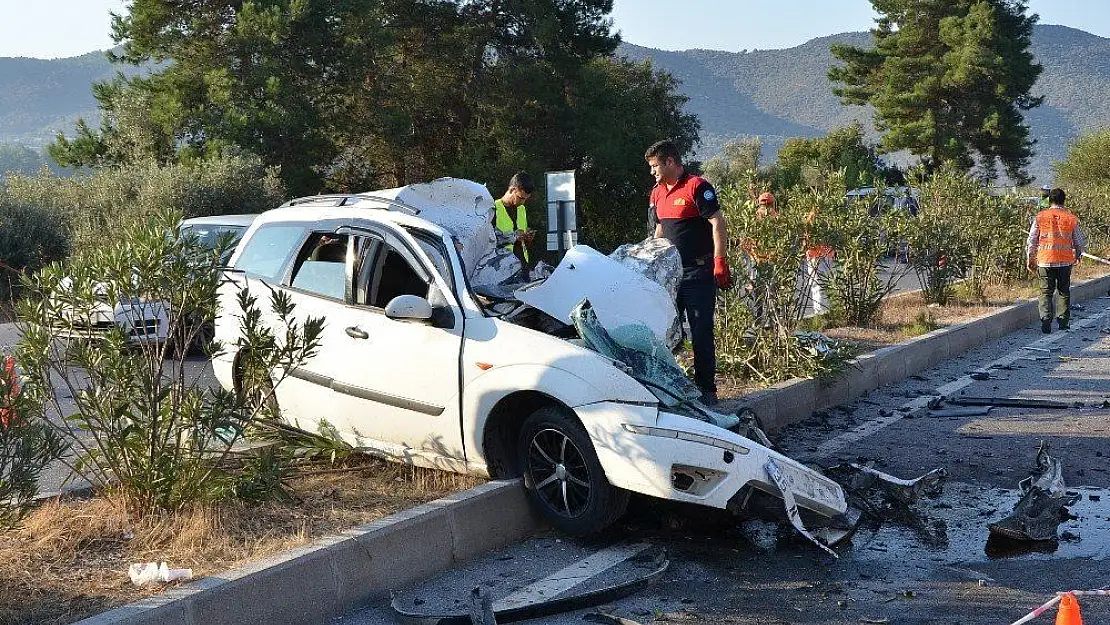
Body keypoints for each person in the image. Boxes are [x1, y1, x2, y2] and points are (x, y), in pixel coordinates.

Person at [645, 140, 732, 404]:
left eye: (655, 166)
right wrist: (650, 262)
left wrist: (719, 260)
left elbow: (717, 221)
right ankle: (670, 389)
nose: (653, 172)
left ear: (670, 161)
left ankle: (707, 390)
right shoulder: (656, 193)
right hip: (670, 277)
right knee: (666, 332)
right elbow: (658, 231)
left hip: (698, 273)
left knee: (700, 330)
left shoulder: (698, 187)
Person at [1026, 188, 1085, 333]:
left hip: (1045, 261)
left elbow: (1032, 239)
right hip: (1065, 262)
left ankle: (1046, 319)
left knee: (1046, 292)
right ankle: (1063, 321)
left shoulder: (1040, 217)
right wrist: (1078, 255)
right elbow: (1079, 241)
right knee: (1063, 291)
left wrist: (1030, 258)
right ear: (1063, 200)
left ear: (1049, 200)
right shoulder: (1070, 218)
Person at [493, 172, 535, 271]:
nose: (522, 202)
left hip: (523, 267)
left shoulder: (522, 209)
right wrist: (514, 237)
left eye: (525, 199)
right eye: (520, 198)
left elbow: (523, 243)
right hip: (503, 269)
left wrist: (527, 238)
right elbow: (489, 241)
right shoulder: (493, 209)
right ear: (512, 189)